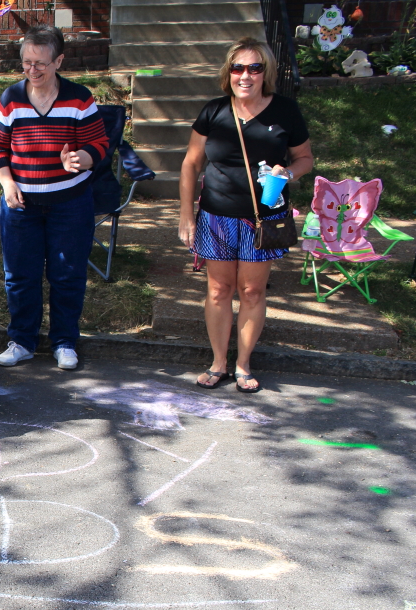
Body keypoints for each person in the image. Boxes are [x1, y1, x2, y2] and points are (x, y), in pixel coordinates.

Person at [178, 37, 313, 393]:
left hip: (263, 217)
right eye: (238, 67)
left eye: (255, 68)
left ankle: (243, 364)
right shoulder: (214, 111)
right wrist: (186, 214)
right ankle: (218, 362)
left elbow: (305, 158)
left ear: (266, 72)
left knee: (252, 291)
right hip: (216, 214)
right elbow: (191, 164)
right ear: (229, 72)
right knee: (219, 289)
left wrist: (288, 174)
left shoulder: (285, 111)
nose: (246, 75)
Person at [0, 24, 109, 371]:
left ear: (58, 62)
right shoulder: (10, 99)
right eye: (26, 63)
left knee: (67, 274)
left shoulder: (79, 98)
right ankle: (22, 340)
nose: (32, 70)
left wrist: (81, 159)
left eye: (40, 63)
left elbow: (99, 145)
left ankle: (64, 341)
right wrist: (7, 183)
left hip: (69, 203)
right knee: (20, 275)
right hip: (21, 203)